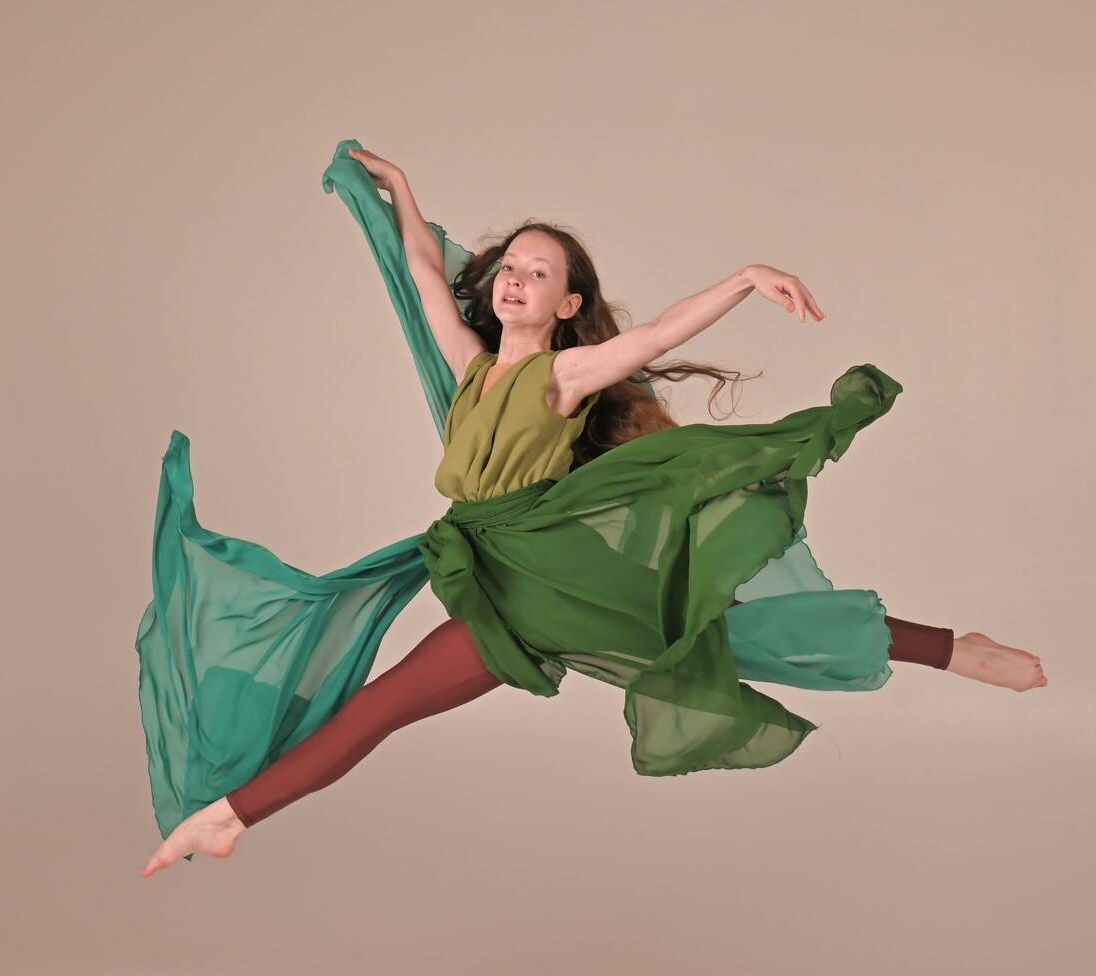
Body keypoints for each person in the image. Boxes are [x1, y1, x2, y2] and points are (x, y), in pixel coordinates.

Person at [139, 143, 1046, 877]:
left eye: (538, 272)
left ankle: (952, 648)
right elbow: (421, 273)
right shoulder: (469, 367)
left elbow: (654, 335)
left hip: (550, 578)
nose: (514, 279)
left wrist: (744, 278)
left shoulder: (563, 375)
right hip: (501, 574)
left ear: (567, 304)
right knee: (711, 635)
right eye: (509, 266)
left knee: (717, 634)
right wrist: (401, 191)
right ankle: (231, 817)